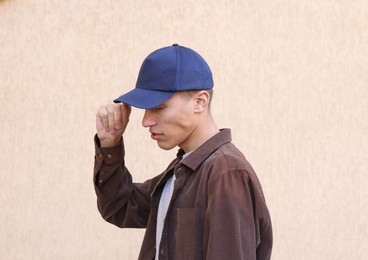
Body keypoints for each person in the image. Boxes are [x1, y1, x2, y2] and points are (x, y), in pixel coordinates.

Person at [94, 44, 273, 260]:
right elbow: (120, 207)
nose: (145, 121)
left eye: (158, 107)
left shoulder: (225, 174)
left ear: (200, 102)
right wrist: (110, 143)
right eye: (145, 109)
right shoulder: (185, 170)